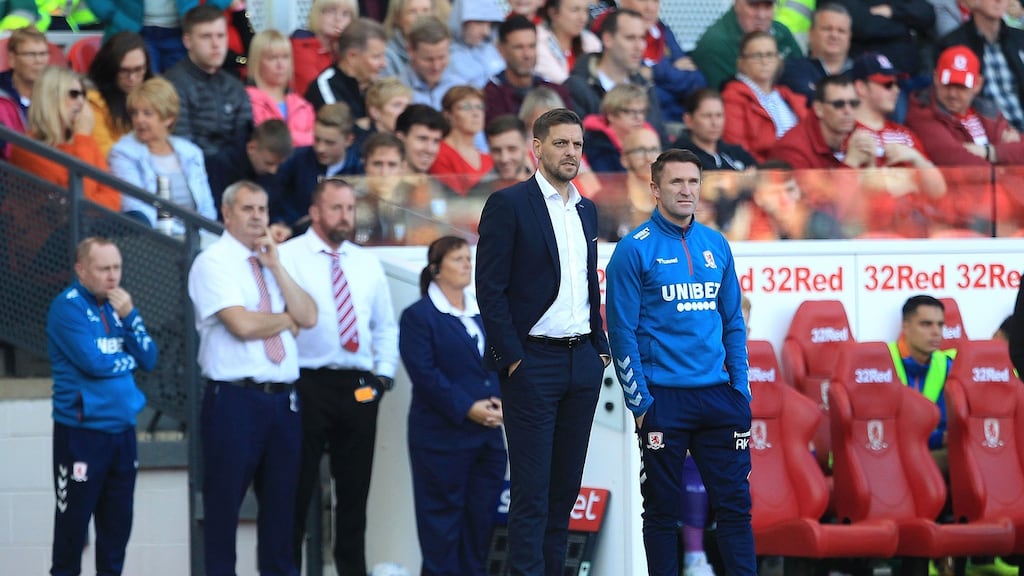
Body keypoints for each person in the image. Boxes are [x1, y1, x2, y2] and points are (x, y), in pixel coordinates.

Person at [605, 148, 754, 576]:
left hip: (720, 398)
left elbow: (732, 323)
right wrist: (641, 404)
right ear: (655, 189)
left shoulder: (716, 243)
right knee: (661, 513)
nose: (686, 190)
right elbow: (621, 334)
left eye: (693, 181)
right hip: (664, 401)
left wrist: (740, 390)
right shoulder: (633, 250)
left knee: (735, 509)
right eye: (675, 182)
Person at [475, 108, 611, 576]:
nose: (571, 153)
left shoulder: (586, 208)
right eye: (561, 144)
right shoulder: (509, 204)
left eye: (577, 145)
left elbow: (589, 285)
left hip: (581, 364)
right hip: (532, 362)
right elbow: (488, 289)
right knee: (532, 496)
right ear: (537, 148)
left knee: (564, 494)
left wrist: (600, 347)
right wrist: (512, 359)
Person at [187, 180, 317, 576]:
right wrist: (285, 322)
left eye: (262, 209)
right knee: (224, 509)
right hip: (235, 400)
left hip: (284, 401)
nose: (258, 217)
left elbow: (309, 316)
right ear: (227, 214)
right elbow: (241, 324)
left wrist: (275, 265)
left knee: (281, 510)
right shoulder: (212, 261)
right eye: (248, 209)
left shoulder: (274, 260)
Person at [278, 178, 399, 576]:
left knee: (354, 492)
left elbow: (384, 325)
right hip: (306, 382)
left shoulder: (365, 262)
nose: (345, 217)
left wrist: (383, 378)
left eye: (350, 209)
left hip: (359, 385)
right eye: (336, 209)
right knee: (295, 490)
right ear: (315, 212)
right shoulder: (288, 256)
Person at [47, 237, 158, 576]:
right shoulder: (67, 307)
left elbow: (150, 358)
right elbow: (94, 363)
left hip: (122, 433)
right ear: (81, 270)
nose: (113, 276)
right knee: (72, 533)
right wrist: (129, 359)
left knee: (116, 533)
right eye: (103, 268)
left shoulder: (118, 305)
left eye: (117, 268)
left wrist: (131, 315)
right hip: (81, 435)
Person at [398, 235, 507, 576]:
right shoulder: (419, 316)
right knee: (441, 529)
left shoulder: (481, 312)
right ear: (436, 270)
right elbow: (425, 374)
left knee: (479, 525)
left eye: (467, 258)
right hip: (441, 439)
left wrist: (503, 402)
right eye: (457, 259)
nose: (466, 265)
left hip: (487, 439)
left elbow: (499, 362)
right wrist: (467, 407)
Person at [904, 45, 1024, 235]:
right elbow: (957, 160)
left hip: (1007, 208)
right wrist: (1005, 164)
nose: (952, 94)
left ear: (977, 84)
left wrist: (989, 152)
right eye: (947, 84)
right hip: (961, 215)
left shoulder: (988, 111)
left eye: (961, 87)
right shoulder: (922, 111)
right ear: (935, 78)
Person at [109, 77, 216, 231]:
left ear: (168, 118)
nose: (139, 120)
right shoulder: (123, 153)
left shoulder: (191, 153)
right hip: (155, 239)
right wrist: (185, 238)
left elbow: (207, 207)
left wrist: (205, 236)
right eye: (135, 113)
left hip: (197, 237)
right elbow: (135, 207)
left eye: (147, 113)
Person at [8, 66, 120, 212]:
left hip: (90, 228)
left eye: (83, 94)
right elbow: (79, 199)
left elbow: (113, 197)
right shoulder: (27, 148)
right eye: (73, 94)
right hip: (47, 232)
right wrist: (83, 137)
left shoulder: (83, 141)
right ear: (50, 98)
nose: (81, 102)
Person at [590, 0, 707, 122]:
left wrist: (654, 72)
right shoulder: (609, 29)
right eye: (643, 0)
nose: (650, 8)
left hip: (678, 120)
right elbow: (638, 90)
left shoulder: (662, 30)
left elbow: (696, 81)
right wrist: (673, 72)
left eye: (655, 1)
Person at [564, 9, 668, 144]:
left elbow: (662, 141)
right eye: (630, 38)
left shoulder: (645, 86)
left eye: (642, 38)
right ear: (608, 39)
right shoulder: (577, 87)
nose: (639, 46)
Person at [164, 4, 253, 159]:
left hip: (234, 172)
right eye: (206, 36)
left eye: (220, 36)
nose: (215, 44)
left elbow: (245, 140)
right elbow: (181, 145)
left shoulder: (235, 86)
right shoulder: (172, 85)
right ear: (187, 41)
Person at [887, 295, 954, 475]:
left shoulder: (947, 364)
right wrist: (939, 438)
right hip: (892, 451)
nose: (936, 332)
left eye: (940, 325)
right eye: (926, 324)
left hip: (930, 451)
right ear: (906, 327)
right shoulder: (882, 362)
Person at [273, 102, 363, 235]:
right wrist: (282, 224)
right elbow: (277, 201)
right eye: (317, 139)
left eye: (329, 143)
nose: (320, 148)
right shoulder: (295, 161)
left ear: (349, 140)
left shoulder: (360, 171)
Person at [939, 0, 1024, 131]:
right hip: (988, 135)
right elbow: (952, 102)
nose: (999, 0)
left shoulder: (1020, 39)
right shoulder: (953, 44)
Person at [721, 31, 806, 162]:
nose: (764, 61)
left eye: (770, 55)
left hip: (804, 171)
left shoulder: (788, 96)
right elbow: (737, 149)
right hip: (764, 175)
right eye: (756, 56)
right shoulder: (732, 98)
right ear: (741, 62)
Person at [691, 0, 803, 91]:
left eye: (768, 6)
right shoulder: (715, 44)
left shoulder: (781, 32)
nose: (761, 15)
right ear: (736, 4)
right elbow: (728, 98)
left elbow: (803, 75)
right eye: (753, 5)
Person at [484, 14, 573, 122]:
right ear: (501, 50)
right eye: (519, 47)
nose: (527, 55)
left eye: (532, 46)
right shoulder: (491, 96)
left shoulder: (557, 91)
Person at [772, 74, 862, 169]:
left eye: (853, 103)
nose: (848, 111)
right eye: (838, 104)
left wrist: (870, 163)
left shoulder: (856, 135)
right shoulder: (792, 150)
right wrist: (851, 162)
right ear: (819, 109)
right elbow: (807, 185)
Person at [305, 17, 388, 121]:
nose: (384, 64)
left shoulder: (375, 86)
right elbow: (342, 131)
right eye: (376, 57)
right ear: (352, 56)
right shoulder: (325, 85)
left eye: (383, 56)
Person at [207, 118, 294, 215]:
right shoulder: (221, 166)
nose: (273, 170)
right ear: (251, 148)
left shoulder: (275, 171)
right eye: (268, 163)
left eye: (279, 164)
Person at [87, 31, 152, 158]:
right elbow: (105, 152)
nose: (132, 78)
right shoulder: (94, 102)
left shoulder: (156, 95)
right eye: (124, 71)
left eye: (138, 69)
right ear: (110, 69)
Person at [246, 29, 315, 148]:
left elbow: (317, 141)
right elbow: (266, 143)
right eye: (272, 58)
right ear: (257, 62)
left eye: (285, 57)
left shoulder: (302, 105)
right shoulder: (247, 101)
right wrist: (300, 138)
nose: (281, 65)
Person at [778, 3, 854, 105]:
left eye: (841, 31)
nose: (834, 35)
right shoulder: (792, 69)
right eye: (827, 29)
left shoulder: (861, 73)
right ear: (811, 33)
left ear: (849, 37)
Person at [834, 0, 935, 76]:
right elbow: (864, 26)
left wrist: (893, 10)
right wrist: (906, 27)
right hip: (871, 76)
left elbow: (927, 14)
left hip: (912, 72)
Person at [672, 89, 757, 172]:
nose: (715, 123)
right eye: (707, 116)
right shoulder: (680, 158)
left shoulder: (736, 152)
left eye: (719, 115)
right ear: (688, 120)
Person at [430, 85, 493, 195]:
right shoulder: (439, 153)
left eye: (479, 107)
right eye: (466, 107)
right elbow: (452, 198)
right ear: (448, 115)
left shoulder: (488, 158)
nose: (475, 113)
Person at [392, 15, 461, 110]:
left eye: (441, 57)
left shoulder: (459, 87)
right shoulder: (394, 94)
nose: (436, 66)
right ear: (410, 51)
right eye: (428, 59)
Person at [582, 83, 654, 173]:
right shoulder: (597, 142)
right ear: (611, 115)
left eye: (642, 111)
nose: (638, 117)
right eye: (630, 112)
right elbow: (608, 181)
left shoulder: (649, 139)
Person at [291, 0, 358, 96]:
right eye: (331, 11)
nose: (338, 19)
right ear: (317, 14)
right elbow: (319, 90)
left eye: (345, 14)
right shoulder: (301, 46)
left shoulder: (347, 48)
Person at [534, 0, 601, 84]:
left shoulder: (591, 41)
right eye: (575, 10)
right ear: (553, 13)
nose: (583, 18)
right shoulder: (537, 40)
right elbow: (562, 83)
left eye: (586, 11)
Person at [446, 0, 506, 89]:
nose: (486, 32)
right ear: (460, 17)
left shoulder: (492, 51)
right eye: (479, 22)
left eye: (490, 24)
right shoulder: (444, 56)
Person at [383, 0, 446, 78]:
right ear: (397, 18)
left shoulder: (445, 46)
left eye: (425, 10)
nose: (420, 18)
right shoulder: (387, 55)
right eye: (412, 12)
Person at [0, 26, 51, 118]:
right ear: (12, 58)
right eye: (30, 54)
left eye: (43, 54)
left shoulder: (58, 91)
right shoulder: (2, 94)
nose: (38, 61)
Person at [396, 103, 449, 174]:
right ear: (400, 138)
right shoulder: (380, 183)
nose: (429, 149)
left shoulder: (439, 184)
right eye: (422, 139)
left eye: (436, 141)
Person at [485, 114, 534, 184]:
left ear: (526, 147)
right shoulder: (479, 190)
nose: (504, 158)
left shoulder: (547, 189)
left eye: (512, 149)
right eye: (496, 150)